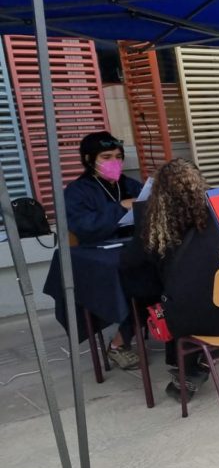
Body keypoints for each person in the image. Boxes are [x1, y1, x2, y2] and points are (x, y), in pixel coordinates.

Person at [120, 159, 219, 400]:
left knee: (177, 301)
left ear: (159, 195)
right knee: (195, 295)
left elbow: (129, 263)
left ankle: (191, 369)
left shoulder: (157, 229)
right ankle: (199, 364)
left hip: (196, 322)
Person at [65, 131, 144, 370]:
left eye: (118, 157)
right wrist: (120, 208)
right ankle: (119, 343)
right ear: (89, 159)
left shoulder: (129, 184)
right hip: (96, 255)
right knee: (136, 279)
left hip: (132, 247)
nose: (114, 162)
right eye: (106, 157)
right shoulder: (77, 191)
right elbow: (84, 227)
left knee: (171, 267)